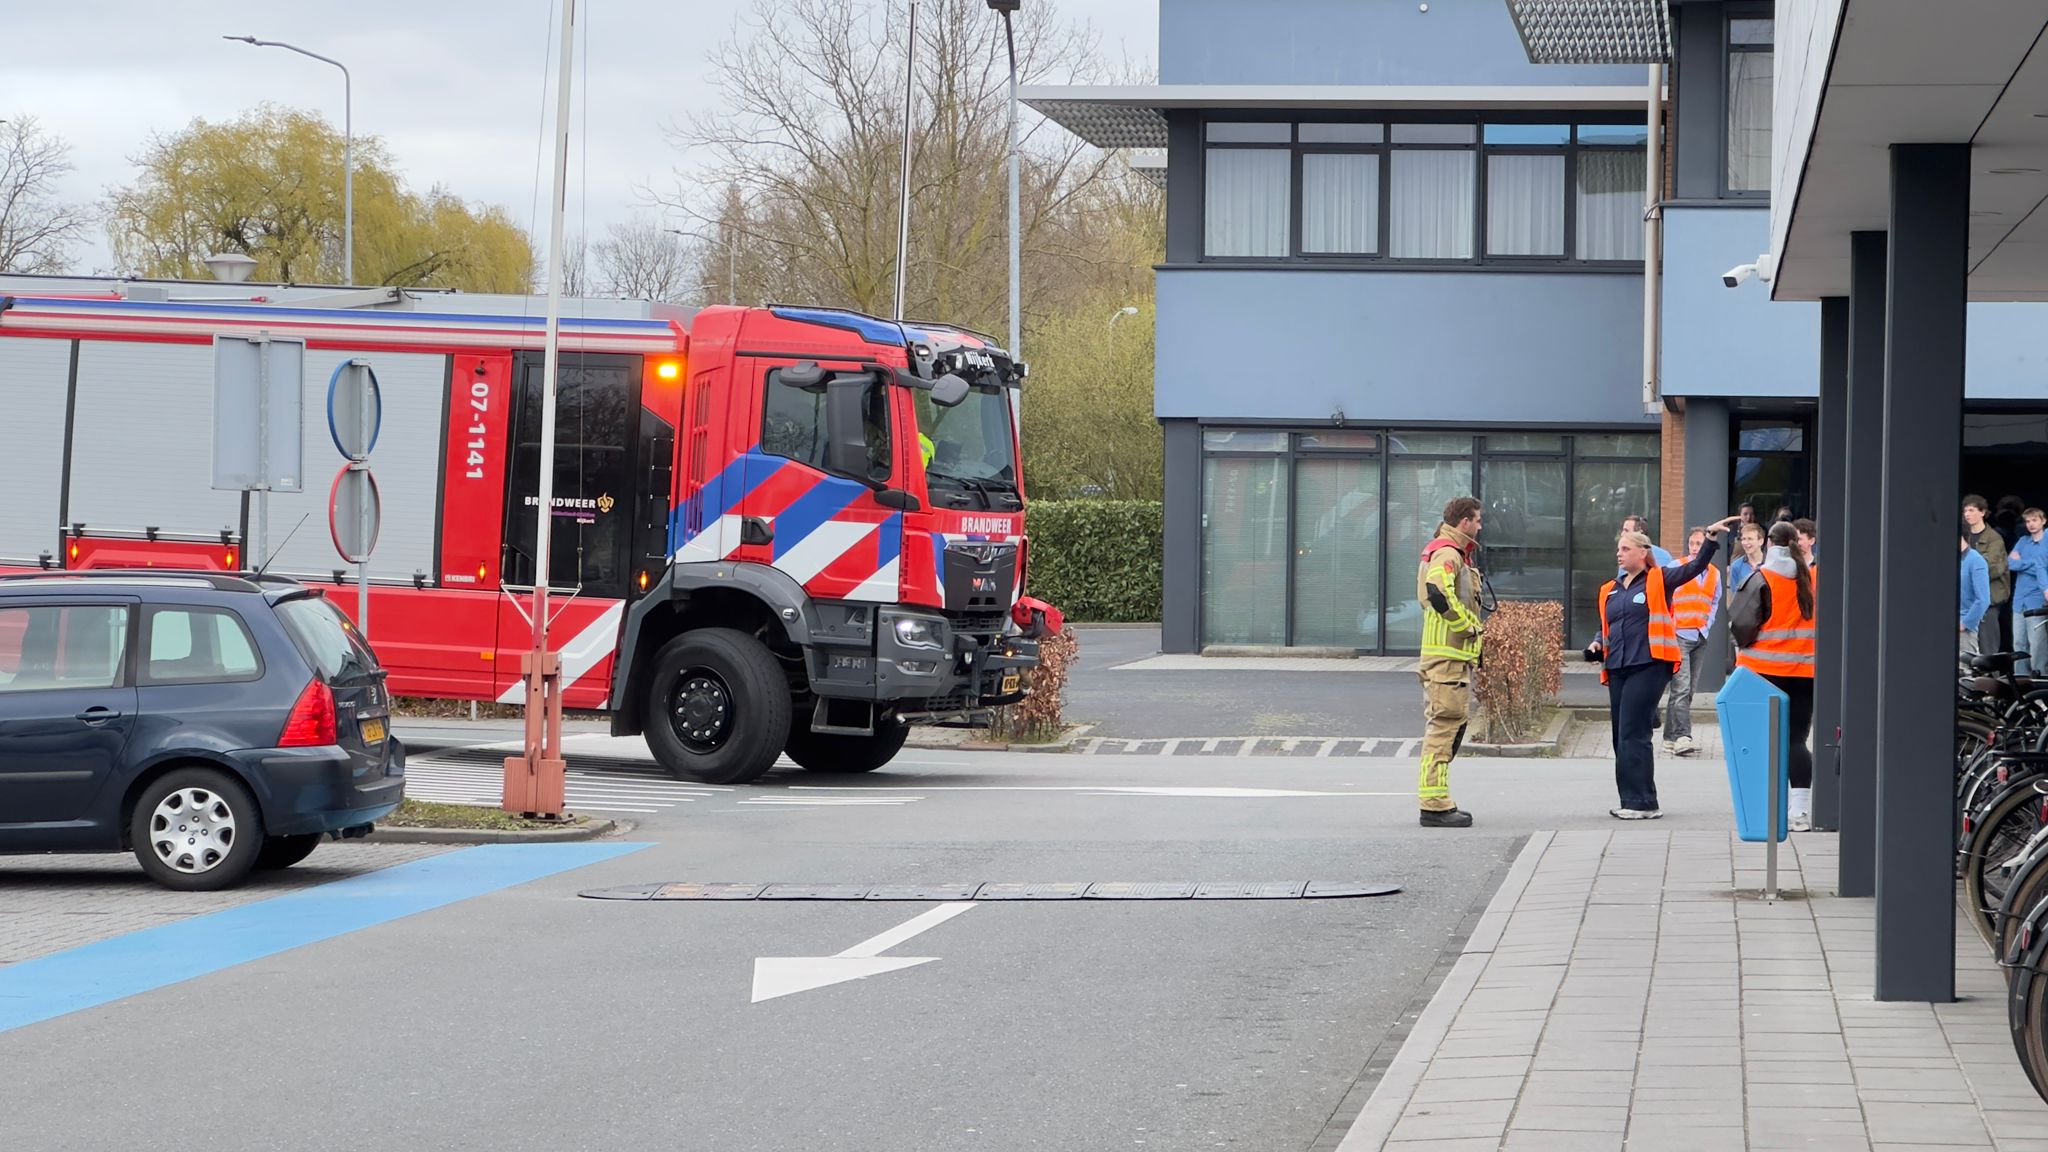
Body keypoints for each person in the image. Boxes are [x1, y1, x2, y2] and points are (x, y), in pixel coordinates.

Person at [1587, 515, 1742, 819]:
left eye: (1625, 549)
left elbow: (1694, 568)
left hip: (1650, 664)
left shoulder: (1659, 579)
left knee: (1634, 731)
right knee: (1621, 736)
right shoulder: (1610, 588)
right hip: (1618, 666)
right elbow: (1607, 625)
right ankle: (1634, 799)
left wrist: (1710, 540)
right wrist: (1596, 643)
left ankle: (1641, 803)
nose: (1619, 554)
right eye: (1618, 549)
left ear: (1643, 553)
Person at [1731, 521, 1819, 830]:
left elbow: (1740, 624)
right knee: (1796, 740)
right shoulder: (1814, 577)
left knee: (1766, 741)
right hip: (1805, 672)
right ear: (1799, 543)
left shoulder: (1762, 577)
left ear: (1769, 542)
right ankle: (1799, 812)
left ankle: (1769, 810)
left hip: (1763, 673)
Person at [1415, 496, 1485, 829]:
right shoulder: (1448, 553)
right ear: (1465, 522)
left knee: (1449, 730)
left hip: (1449, 661)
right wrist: (1467, 627)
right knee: (1444, 730)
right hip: (1447, 661)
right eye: (1478, 520)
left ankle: (1438, 801)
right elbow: (1438, 592)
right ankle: (1434, 805)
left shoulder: (1451, 553)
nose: (1480, 526)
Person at [1664, 526, 1720, 758]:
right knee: (1681, 687)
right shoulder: (1676, 568)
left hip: (1699, 635)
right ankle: (1682, 736)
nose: (1696, 548)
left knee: (1687, 690)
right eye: (1693, 544)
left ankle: (1669, 736)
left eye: (1700, 543)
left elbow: (1714, 602)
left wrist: (1706, 626)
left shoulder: (1715, 573)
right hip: (1679, 634)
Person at [1965, 495, 2010, 654]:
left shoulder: (1994, 539)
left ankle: (1991, 678)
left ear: (1982, 512)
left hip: (1989, 599)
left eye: (1971, 510)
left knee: (1988, 647)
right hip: (1967, 601)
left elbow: (1994, 568)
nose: (1967, 514)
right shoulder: (1965, 537)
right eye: (1965, 511)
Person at [2011, 508, 2048, 674]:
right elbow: (2010, 564)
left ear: (2043, 521)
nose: (2031, 524)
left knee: (2037, 643)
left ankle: (2040, 681)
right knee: (2019, 643)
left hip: (2038, 599)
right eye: (2027, 521)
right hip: (2020, 600)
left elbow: (2043, 567)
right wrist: (2033, 564)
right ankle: (2021, 681)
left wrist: (2024, 562)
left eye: (2034, 520)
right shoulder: (2023, 541)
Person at [1961, 534, 1991, 660]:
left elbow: (1983, 600)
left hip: (1964, 631)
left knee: (1964, 674)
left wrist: (1965, 623)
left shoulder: (1976, 560)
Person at [1729, 521, 1766, 594]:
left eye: (1750, 539)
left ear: (1761, 541)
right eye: (1743, 539)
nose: (1746, 543)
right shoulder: (1736, 566)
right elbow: (1735, 596)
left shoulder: (1771, 564)